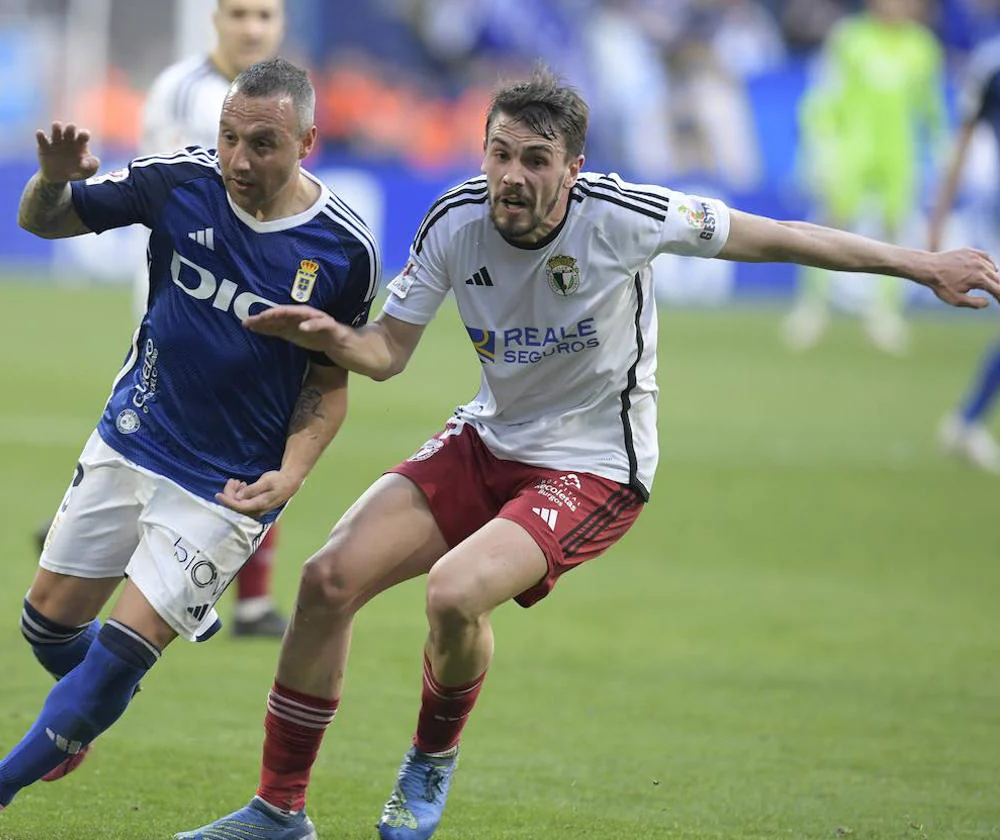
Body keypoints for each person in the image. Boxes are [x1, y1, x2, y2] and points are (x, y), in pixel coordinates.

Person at [177, 66, 1000, 840]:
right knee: (325, 581)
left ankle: (429, 760)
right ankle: (278, 812)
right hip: (490, 435)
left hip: (596, 463)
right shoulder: (454, 221)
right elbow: (389, 351)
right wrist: (334, 338)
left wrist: (920, 264)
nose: (513, 176)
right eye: (500, 153)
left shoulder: (627, 216)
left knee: (455, 592)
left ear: (573, 168)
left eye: (536, 160)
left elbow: (777, 236)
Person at [0, 57, 380, 840]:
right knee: (49, 630)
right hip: (133, 436)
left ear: (308, 140)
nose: (240, 159)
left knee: (122, 654)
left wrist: (290, 476)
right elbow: (46, 219)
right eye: (230, 137)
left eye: (263, 144)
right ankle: (81, 713)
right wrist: (52, 180)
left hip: (225, 489)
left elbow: (327, 385)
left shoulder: (342, 250)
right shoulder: (180, 180)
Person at [32, 0, 294, 638]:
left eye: (265, 14)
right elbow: (187, 190)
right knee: (166, 426)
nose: (253, 28)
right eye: (239, 13)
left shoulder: (285, 98)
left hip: (250, 293)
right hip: (188, 289)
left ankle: (247, 599)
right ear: (216, 21)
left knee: (262, 429)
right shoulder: (184, 91)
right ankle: (109, 541)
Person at [781, 0, 946, 355]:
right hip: (852, 148)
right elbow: (827, 91)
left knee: (894, 228)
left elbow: (930, 104)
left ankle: (883, 311)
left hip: (899, 152)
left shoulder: (922, 46)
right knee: (831, 222)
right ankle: (813, 306)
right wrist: (821, 138)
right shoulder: (851, 38)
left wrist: (938, 145)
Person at [928, 35, 1000, 473]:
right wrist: (939, 215)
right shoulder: (991, 62)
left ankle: (966, 422)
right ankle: (966, 421)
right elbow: (963, 139)